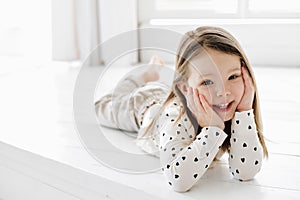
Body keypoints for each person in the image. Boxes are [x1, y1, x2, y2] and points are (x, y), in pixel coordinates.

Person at [95, 26, 268, 192]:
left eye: (233, 76)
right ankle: (145, 75)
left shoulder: (234, 107)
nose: (223, 92)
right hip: (143, 106)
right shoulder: (175, 117)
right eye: (207, 82)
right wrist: (213, 128)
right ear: (185, 89)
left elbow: (246, 172)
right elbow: (177, 180)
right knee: (103, 106)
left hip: (166, 94)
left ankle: (153, 75)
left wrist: (245, 110)